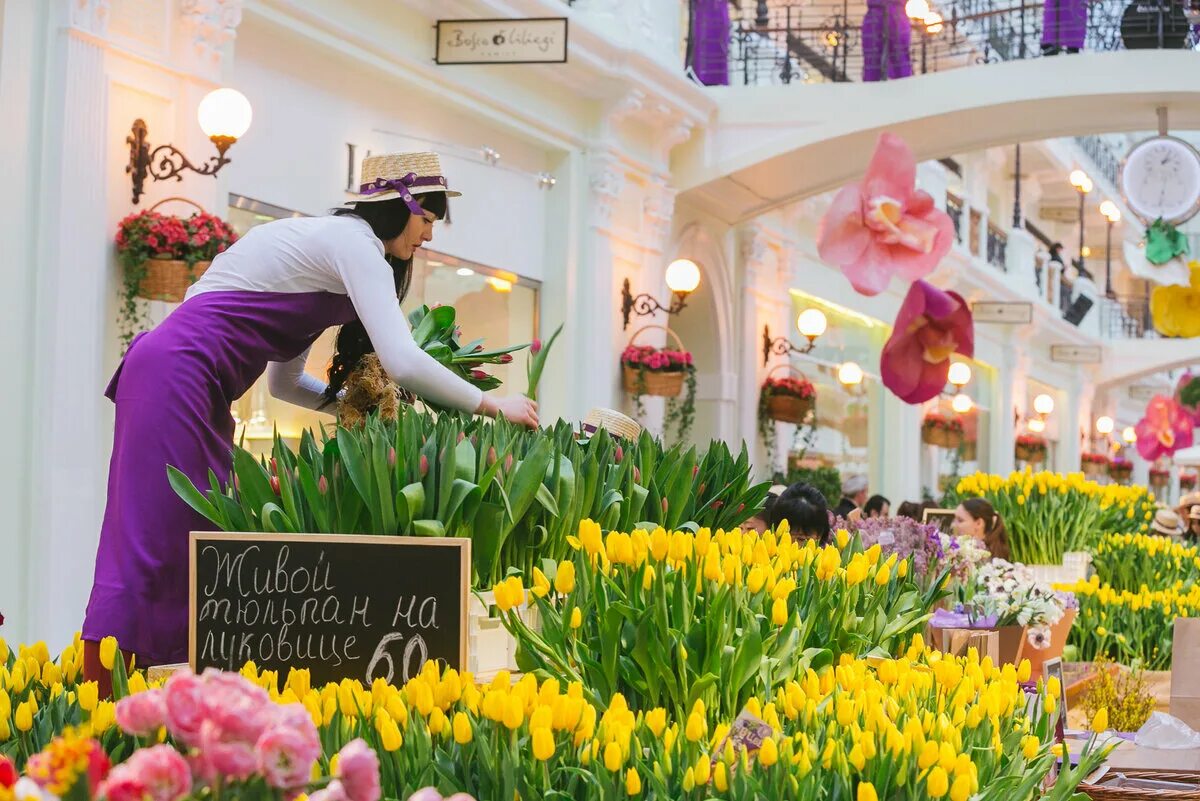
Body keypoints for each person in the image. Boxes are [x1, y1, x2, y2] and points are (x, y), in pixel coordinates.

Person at [81, 152, 539, 686]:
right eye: (428, 221)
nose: (428, 238)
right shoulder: (354, 244)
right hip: (177, 373)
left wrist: (361, 412)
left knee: (199, 531)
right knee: (157, 532)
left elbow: (282, 382)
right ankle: (110, 687)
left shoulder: (331, 250)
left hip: (192, 382)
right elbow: (406, 360)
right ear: (400, 207)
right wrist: (492, 405)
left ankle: (168, 684)